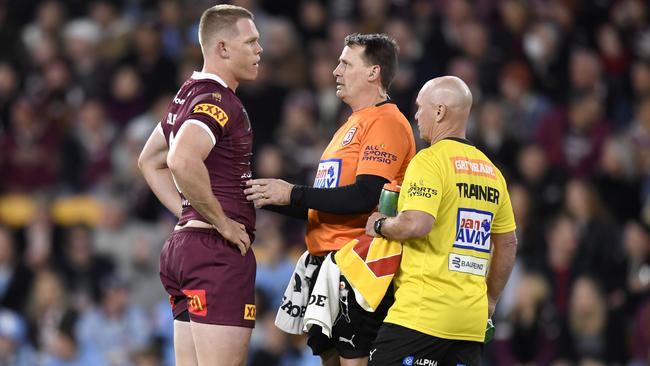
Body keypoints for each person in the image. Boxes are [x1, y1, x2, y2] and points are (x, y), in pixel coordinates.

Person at [245, 33, 416, 366]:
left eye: (345, 63)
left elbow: (366, 196)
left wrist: (291, 192)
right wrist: (268, 197)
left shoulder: (386, 122)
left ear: (373, 72)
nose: (336, 71)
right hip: (328, 263)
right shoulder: (349, 126)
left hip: (358, 265)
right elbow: (326, 204)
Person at [137, 5, 262, 366]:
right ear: (222, 48)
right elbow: (179, 160)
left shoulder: (187, 93)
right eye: (251, 41)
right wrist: (220, 222)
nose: (259, 50)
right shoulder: (217, 99)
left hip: (184, 247)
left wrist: (189, 211)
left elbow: (150, 160)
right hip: (214, 254)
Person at [364, 76, 518, 366]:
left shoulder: (430, 161)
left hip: (421, 316)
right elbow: (507, 243)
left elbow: (416, 224)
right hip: (470, 325)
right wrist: (491, 300)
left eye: (420, 107)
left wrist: (380, 224)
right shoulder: (492, 172)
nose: (417, 115)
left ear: (440, 111)